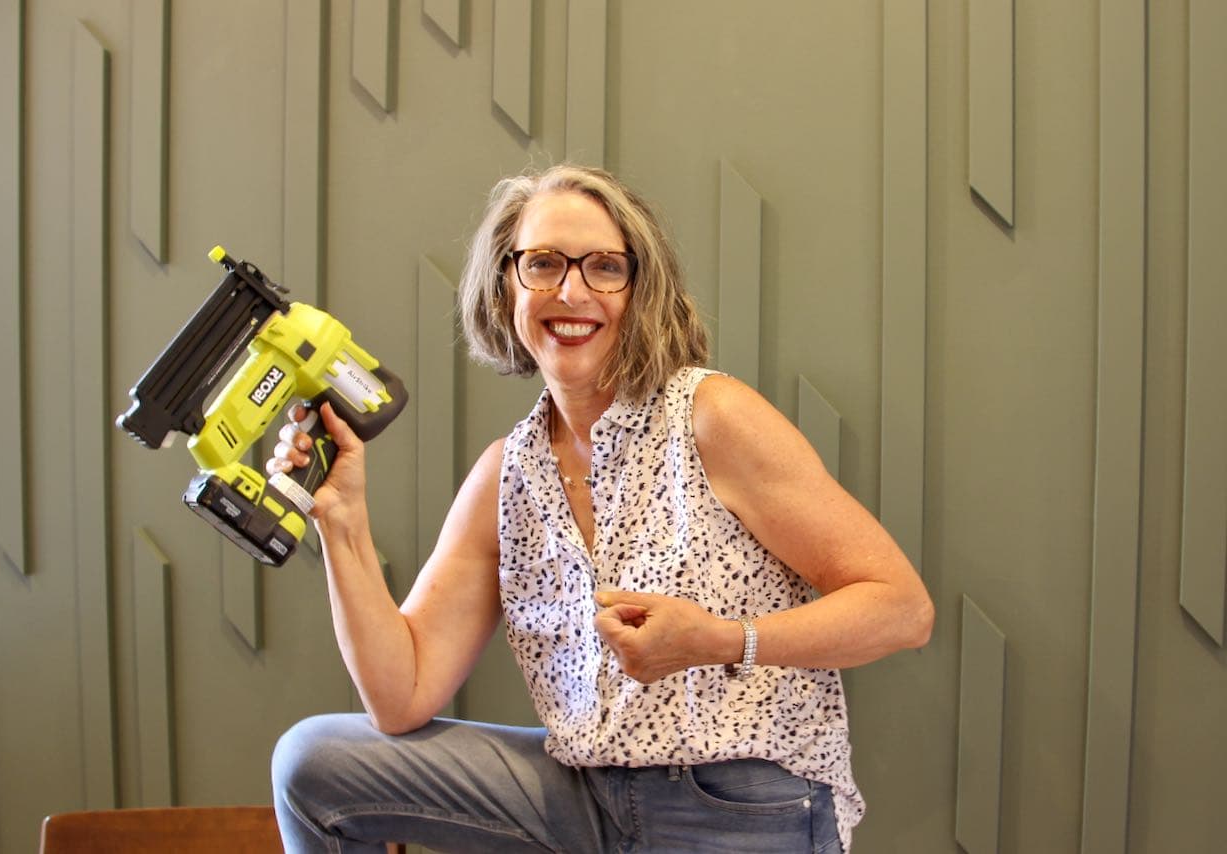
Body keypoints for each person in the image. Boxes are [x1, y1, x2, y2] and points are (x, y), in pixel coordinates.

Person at [269, 164, 934, 853]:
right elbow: (399, 695)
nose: (571, 291)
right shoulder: (508, 475)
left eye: (605, 268)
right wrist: (341, 518)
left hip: (738, 802)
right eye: (544, 263)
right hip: (582, 798)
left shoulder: (712, 418)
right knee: (315, 762)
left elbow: (902, 609)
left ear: (640, 291)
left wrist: (720, 640)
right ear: (506, 286)